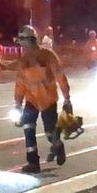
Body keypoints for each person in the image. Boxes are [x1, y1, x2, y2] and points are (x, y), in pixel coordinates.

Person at [14, 25, 72, 174]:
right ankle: (33, 162)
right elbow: (20, 84)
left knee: (49, 133)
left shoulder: (48, 55)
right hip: (32, 100)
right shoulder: (23, 61)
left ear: (30, 40)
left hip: (48, 100)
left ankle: (58, 146)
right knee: (28, 128)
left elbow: (60, 76)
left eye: (22, 40)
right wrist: (18, 104)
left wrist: (67, 98)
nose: (21, 43)